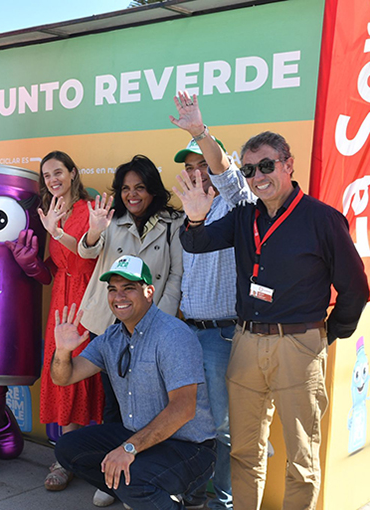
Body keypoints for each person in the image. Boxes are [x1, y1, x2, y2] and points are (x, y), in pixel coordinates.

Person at [175, 125, 369, 509]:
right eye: (248, 171)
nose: (257, 177)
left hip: (300, 344)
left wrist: (323, 335)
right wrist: (195, 218)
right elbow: (198, 244)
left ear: (288, 165)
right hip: (245, 343)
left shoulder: (322, 219)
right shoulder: (245, 216)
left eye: (265, 166)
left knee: (301, 459)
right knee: (244, 451)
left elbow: (356, 289)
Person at [52, 255, 217, 510]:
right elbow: (64, 377)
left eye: (129, 288)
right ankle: (145, 493)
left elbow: (184, 409)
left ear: (149, 292)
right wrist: (62, 351)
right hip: (141, 437)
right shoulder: (112, 336)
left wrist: (128, 448)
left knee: (133, 482)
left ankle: (159, 493)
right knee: (68, 449)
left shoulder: (173, 335)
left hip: (188, 448)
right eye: (113, 289)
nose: (119, 296)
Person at [78, 154, 184, 506]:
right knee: (114, 404)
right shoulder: (111, 220)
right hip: (109, 324)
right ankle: (112, 479)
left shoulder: (174, 222)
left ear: (153, 189)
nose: (132, 195)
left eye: (139, 187)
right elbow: (87, 250)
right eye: (125, 189)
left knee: (151, 405)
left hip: (150, 327)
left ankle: (144, 475)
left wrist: (157, 323)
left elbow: (174, 278)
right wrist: (94, 230)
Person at [168, 91, 255, 510]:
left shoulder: (237, 204)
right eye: (190, 168)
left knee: (223, 429)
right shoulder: (188, 212)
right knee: (189, 422)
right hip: (188, 332)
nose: (198, 173)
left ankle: (223, 502)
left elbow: (226, 173)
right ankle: (193, 495)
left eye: (204, 165)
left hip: (223, 334)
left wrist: (200, 132)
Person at [36, 151, 102, 491]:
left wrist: (58, 232)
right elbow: (55, 266)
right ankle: (65, 456)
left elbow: (83, 263)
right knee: (61, 373)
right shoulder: (52, 210)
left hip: (85, 301)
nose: (52, 180)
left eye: (58, 172)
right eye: (47, 175)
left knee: (83, 374)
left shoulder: (90, 209)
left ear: (73, 173)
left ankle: (90, 459)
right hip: (61, 299)